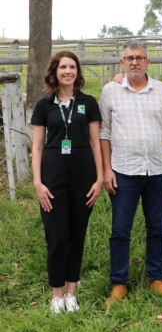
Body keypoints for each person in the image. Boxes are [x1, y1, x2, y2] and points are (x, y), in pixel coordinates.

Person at [100, 40, 162, 304]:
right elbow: (104, 134)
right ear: (122, 63)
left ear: (148, 62)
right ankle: (119, 282)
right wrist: (106, 170)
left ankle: (155, 278)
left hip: (158, 170)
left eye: (139, 57)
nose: (134, 61)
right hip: (123, 170)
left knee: (157, 227)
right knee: (120, 229)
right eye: (129, 58)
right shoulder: (110, 91)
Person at [31, 51, 104, 314]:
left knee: (76, 235)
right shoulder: (44, 105)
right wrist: (38, 183)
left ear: (78, 71)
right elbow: (37, 147)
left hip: (83, 176)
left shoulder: (88, 102)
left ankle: (71, 293)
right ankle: (56, 295)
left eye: (72, 66)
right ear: (54, 71)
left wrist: (100, 178)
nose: (68, 71)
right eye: (63, 67)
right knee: (57, 236)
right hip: (52, 177)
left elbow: (96, 142)